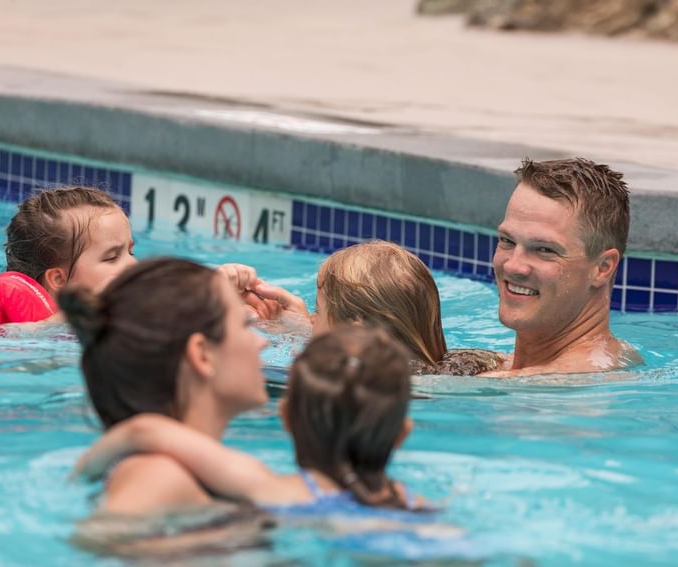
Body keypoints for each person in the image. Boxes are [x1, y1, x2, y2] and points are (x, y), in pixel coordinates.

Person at [74, 320, 425, 512]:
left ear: (285, 417)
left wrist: (83, 472)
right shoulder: (416, 508)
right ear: (402, 435)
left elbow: (145, 430)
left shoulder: (275, 490)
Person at [61, 257, 271, 515]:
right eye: (245, 326)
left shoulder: (185, 471)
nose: (262, 343)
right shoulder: (162, 476)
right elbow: (96, 539)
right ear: (202, 355)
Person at [0, 186, 268, 326]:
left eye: (130, 251)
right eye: (111, 257)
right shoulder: (26, 331)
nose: (132, 265)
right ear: (59, 279)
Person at [484, 158, 642, 377]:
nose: (513, 266)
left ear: (602, 268)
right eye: (507, 241)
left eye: (544, 250)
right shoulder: (512, 368)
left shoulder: (569, 385)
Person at [251, 240, 502, 375]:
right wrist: (299, 329)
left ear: (356, 332)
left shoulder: (353, 381)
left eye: (319, 311)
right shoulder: (466, 366)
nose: (312, 319)